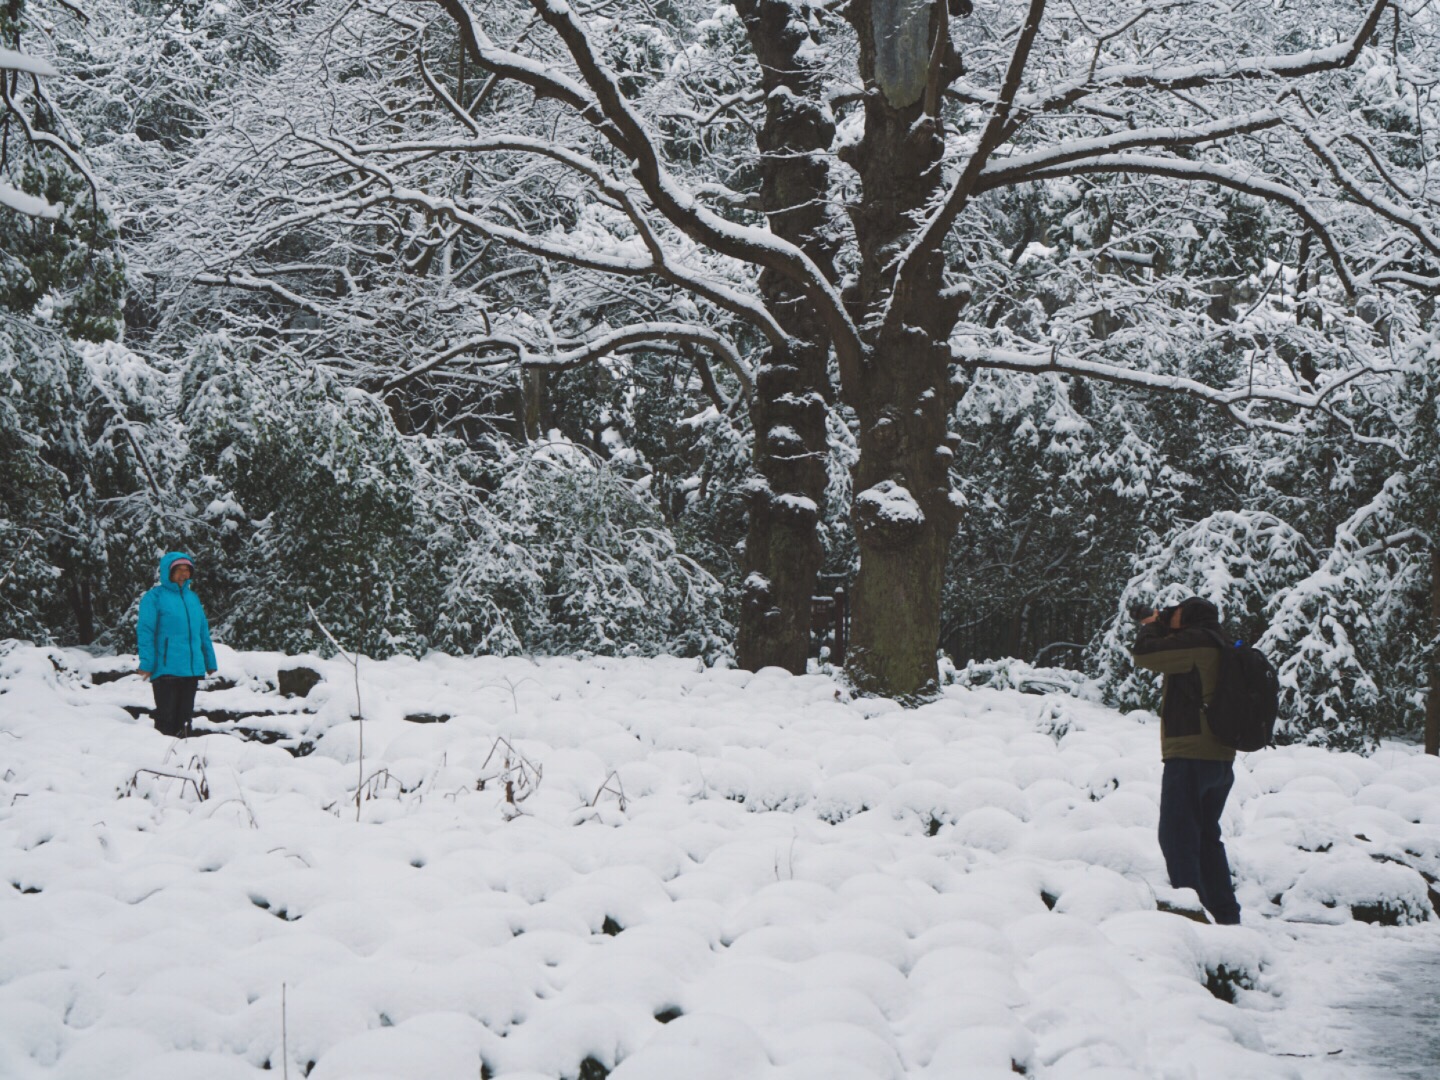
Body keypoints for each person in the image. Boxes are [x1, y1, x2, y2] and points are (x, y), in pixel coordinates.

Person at [1130, 596, 1241, 925]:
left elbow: (1146, 656)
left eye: (1175, 611)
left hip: (1191, 754)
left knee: (1178, 837)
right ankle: (1224, 914)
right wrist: (1160, 622)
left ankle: (1189, 917)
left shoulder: (1197, 643)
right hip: (1219, 758)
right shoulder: (1218, 642)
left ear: (1189, 617)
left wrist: (1149, 626)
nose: (1169, 614)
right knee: (1205, 837)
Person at [136, 551, 217, 739]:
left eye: (187, 570)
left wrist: (209, 660)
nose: (183, 574)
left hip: (190, 669)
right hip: (166, 669)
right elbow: (146, 632)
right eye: (178, 570)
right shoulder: (154, 598)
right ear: (167, 572)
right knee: (166, 717)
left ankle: (183, 756)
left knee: (186, 717)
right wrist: (147, 663)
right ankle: (162, 758)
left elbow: (202, 631)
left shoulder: (192, 598)